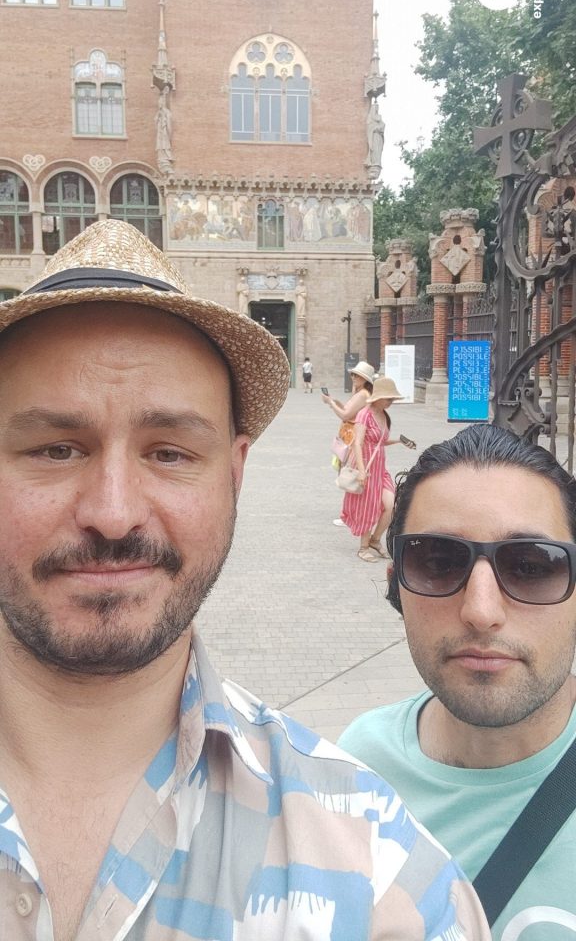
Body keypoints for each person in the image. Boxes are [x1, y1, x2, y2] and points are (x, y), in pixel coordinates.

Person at [0, 220, 490, 941]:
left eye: (169, 453)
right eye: (55, 448)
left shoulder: (382, 879)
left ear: (234, 474)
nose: (112, 513)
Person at [339, 423, 576, 940]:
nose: (481, 611)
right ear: (396, 587)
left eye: (533, 565)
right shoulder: (356, 771)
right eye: (438, 562)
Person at [342, 376, 414, 563]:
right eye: (389, 398)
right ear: (379, 397)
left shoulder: (384, 415)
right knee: (367, 506)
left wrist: (399, 440)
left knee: (391, 505)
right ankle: (363, 547)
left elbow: (379, 442)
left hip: (381, 468)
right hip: (366, 466)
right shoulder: (364, 414)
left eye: (392, 399)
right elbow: (357, 443)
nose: (391, 402)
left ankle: (375, 540)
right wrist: (362, 470)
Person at [322, 360, 374, 526]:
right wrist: (335, 402)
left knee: (349, 474)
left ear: (365, 379)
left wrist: (331, 404)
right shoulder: (359, 392)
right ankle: (350, 514)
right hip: (347, 435)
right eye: (353, 374)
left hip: (352, 438)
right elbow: (347, 410)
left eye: (358, 375)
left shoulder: (362, 394)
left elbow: (345, 415)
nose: (354, 377)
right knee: (346, 472)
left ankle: (349, 515)